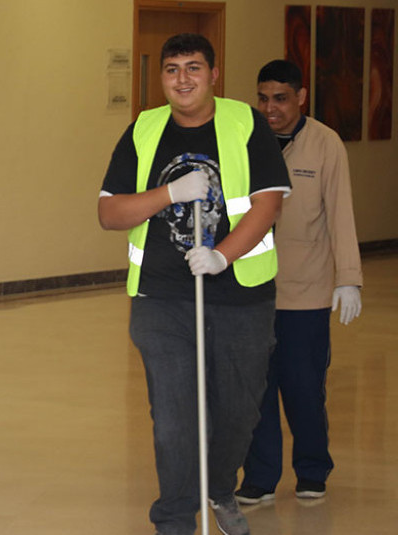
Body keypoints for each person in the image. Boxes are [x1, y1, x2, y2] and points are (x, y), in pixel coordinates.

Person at [97, 34, 291, 535]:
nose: (182, 79)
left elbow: (269, 203)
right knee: (174, 417)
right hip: (162, 297)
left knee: (238, 411)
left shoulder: (246, 123)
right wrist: (170, 192)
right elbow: (110, 213)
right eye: (172, 69)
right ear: (161, 77)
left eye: (193, 68)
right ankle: (175, 517)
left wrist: (223, 255)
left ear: (214, 74)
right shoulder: (144, 129)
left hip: (240, 296)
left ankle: (220, 488)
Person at [235, 59, 363, 505]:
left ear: (301, 97)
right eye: (263, 98)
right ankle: (260, 477)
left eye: (281, 98)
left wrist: (348, 278)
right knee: (256, 390)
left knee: (304, 388)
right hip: (251, 291)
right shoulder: (246, 140)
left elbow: (341, 213)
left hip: (306, 291)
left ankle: (312, 470)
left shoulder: (325, 144)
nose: (270, 108)